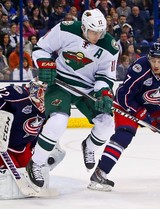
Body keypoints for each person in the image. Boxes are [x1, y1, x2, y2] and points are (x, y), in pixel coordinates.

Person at [26, 9, 119, 188]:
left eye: (101, 32)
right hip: (60, 83)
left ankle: (89, 146)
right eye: (93, 32)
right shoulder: (66, 29)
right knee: (58, 122)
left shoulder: (110, 46)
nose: (97, 36)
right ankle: (36, 163)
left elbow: (105, 76)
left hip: (88, 88)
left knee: (107, 124)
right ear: (83, 27)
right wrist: (45, 63)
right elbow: (40, 48)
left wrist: (104, 93)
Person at [87, 42, 160, 191]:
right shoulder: (140, 69)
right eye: (153, 60)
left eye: (159, 61)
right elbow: (123, 95)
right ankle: (100, 173)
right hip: (128, 104)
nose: (156, 65)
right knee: (124, 134)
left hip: (152, 105)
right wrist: (140, 114)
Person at [0, 78, 47, 169]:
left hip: (21, 149)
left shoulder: (47, 108)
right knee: (5, 178)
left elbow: (37, 129)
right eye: (45, 93)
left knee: (30, 177)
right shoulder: (18, 95)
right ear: (36, 90)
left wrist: (33, 147)